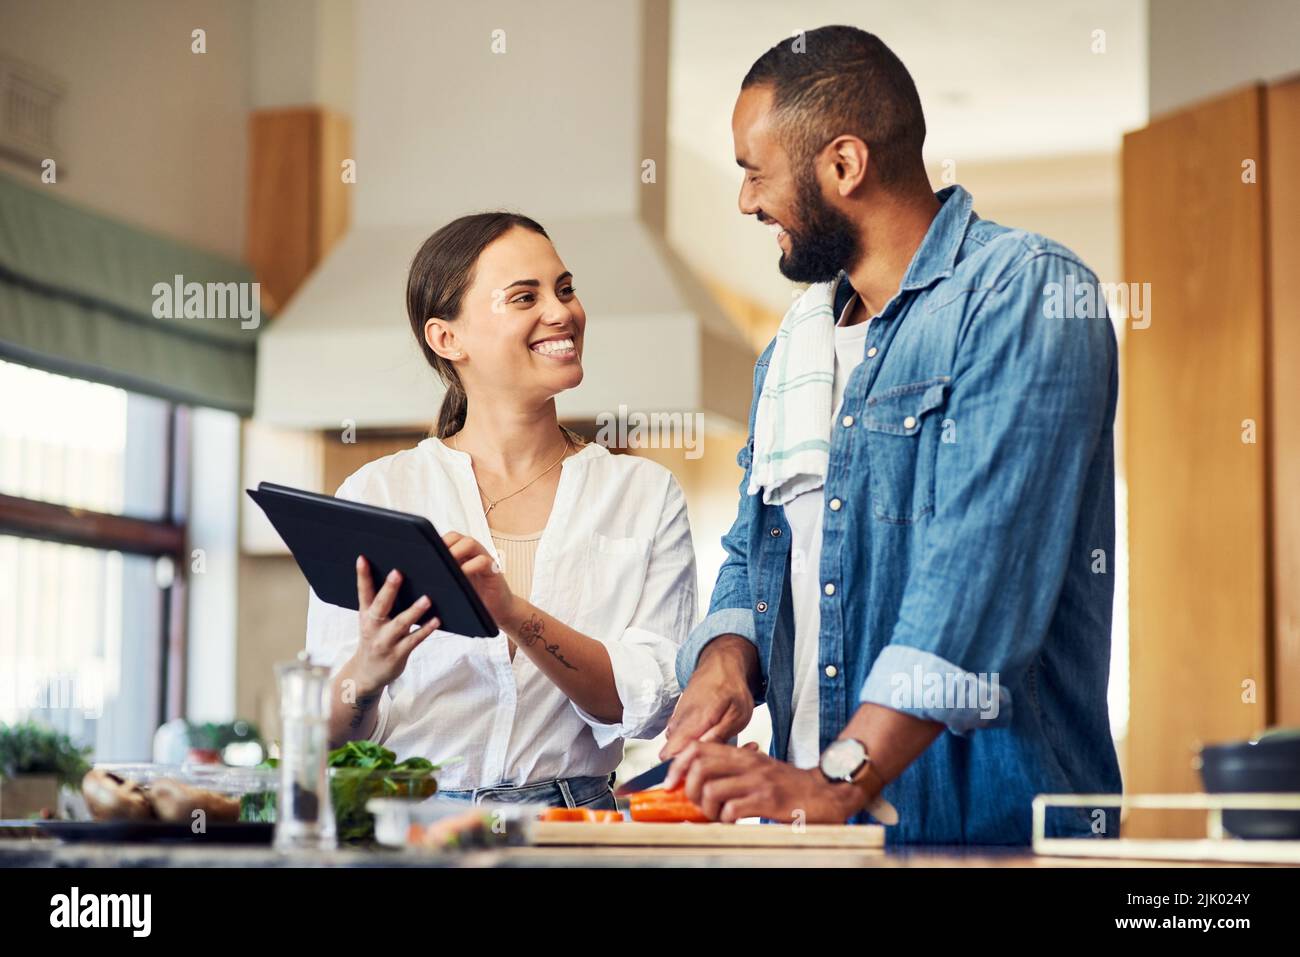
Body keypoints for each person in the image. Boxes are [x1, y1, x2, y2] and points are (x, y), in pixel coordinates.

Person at [661, 25, 1122, 844]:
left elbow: (977, 575)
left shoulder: (1026, 294)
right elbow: (754, 550)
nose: (744, 201)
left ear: (843, 165)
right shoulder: (791, 353)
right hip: (813, 836)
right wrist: (726, 657)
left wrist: (839, 780)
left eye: (754, 172)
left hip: (983, 838)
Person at [305, 212, 697, 811]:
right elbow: (323, 737)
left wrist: (510, 612)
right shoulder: (378, 495)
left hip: (574, 831)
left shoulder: (645, 493)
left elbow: (640, 704)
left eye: (565, 289)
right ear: (447, 339)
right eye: (524, 297)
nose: (562, 311)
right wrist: (370, 668)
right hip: (416, 832)